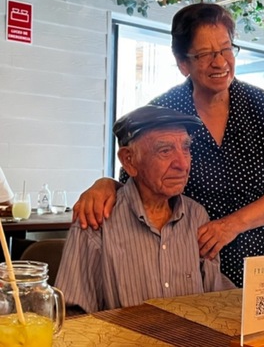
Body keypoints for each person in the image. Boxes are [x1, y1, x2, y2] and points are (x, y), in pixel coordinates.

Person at [72, 3, 264, 287]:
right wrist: (104, 184)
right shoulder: (165, 111)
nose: (219, 62)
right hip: (188, 266)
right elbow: (135, 184)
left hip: (258, 262)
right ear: (183, 64)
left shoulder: (258, 104)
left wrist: (230, 226)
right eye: (205, 54)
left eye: (226, 49)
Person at [55, 105, 234, 313]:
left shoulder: (196, 216)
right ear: (129, 160)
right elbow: (72, 316)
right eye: (165, 151)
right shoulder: (97, 220)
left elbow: (215, 303)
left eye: (185, 148)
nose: (183, 164)